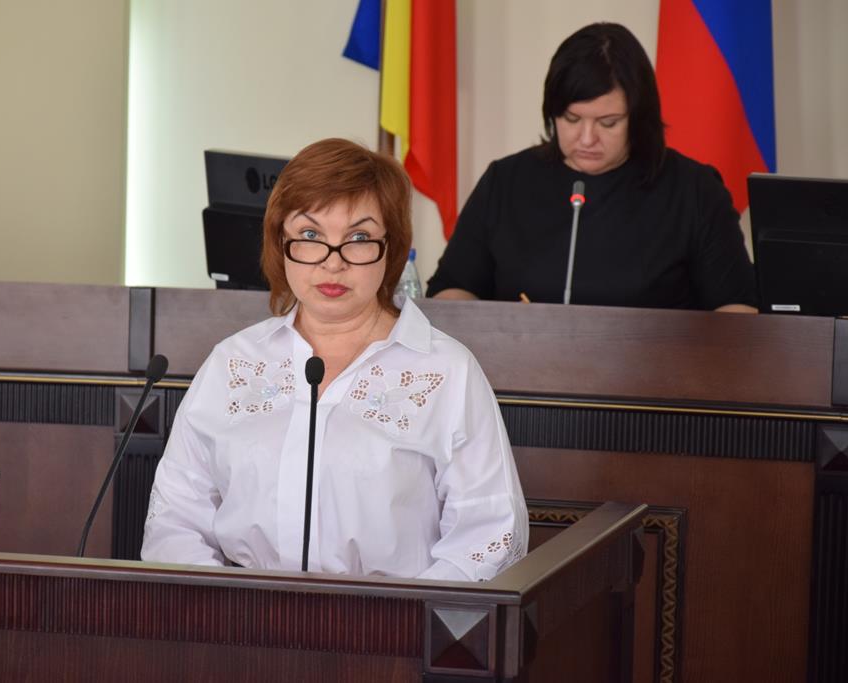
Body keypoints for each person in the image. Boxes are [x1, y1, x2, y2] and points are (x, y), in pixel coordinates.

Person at [142, 138, 528, 581]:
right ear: (279, 241)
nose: (332, 263)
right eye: (310, 236)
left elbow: (489, 534)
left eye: (359, 238)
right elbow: (175, 519)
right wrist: (224, 607)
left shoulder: (447, 371)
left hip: (396, 618)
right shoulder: (232, 362)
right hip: (241, 615)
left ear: (392, 246)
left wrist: (405, 615)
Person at [427, 22, 758, 313]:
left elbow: (738, 308)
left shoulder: (693, 190)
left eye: (608, 122)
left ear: (638, 118)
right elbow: (451, 290)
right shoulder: (506, 181)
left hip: (659, 366)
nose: (587, 138)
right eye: (571, 119)